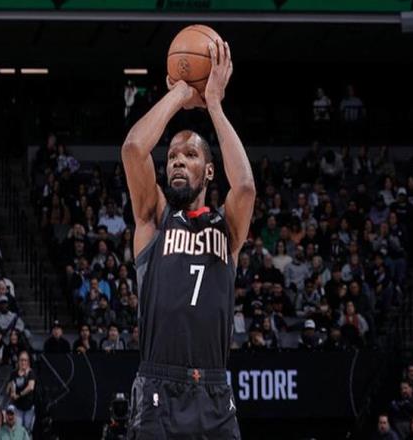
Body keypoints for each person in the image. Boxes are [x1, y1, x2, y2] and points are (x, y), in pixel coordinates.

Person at [122, 39, 252, 438]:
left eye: (190, 155)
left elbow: (245, 187)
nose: (178, 160)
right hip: (158, 386)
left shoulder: (227, 228)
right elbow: (133, 149)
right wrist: (180, 92)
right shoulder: (154, 217)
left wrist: (214, 104)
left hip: (214, 387)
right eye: (173, 157)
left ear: (209, 172)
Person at [7, 351, 36, 433]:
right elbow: (9, 388)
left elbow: (31, 387)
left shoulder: (31, 373)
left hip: (29, 407)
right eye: (21, 360)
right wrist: (12, 392)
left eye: (25, 360)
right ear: (18, 361)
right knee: (18, 430)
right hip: (18, 407)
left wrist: (19, 394)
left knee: (27, 430)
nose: (23, 362)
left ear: (28, 362)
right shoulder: (14, 373)